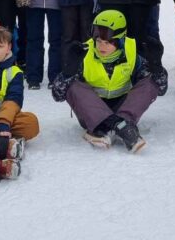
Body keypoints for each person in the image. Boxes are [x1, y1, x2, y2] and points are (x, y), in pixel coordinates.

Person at [51, 10, 156, 153]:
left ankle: (115, 125)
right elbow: (58, 95)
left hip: (124, 110)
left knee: (149, 82)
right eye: (98, 41)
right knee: (73, 85)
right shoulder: (84, 53)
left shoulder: (131, 53)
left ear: (120, 41)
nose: (101, 47)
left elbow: (159, 88)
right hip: (91, 114)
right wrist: (68, 72)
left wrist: (157, 67)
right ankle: (118, 126)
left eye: (107, 42)